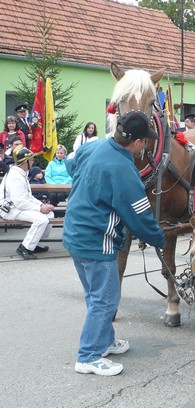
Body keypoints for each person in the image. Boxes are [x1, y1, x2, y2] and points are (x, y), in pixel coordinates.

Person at [63, 109, 165, 376]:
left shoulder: (93, 146)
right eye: (146, 141)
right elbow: (140, 215)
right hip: (97, 242)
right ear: (138, 142)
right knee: (106, 300)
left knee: (95, 295)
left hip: (74, 232)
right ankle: (88, 356)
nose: (145, 146)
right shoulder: (123, 168)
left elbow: (70, 165)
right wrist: (159, 238)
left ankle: (105, 341)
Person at [0, 146, 55, 260]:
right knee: (41, 219)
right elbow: (20, 202)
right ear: (25, 162)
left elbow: (27, 197)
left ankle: (35, 243)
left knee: (49, 215)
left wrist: (42, 205)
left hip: (16, 206)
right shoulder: (15, 177)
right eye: (31, 160)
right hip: (9, 209)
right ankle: (25, 247)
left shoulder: (20, 172)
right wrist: (40, 209)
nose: (33, 161)